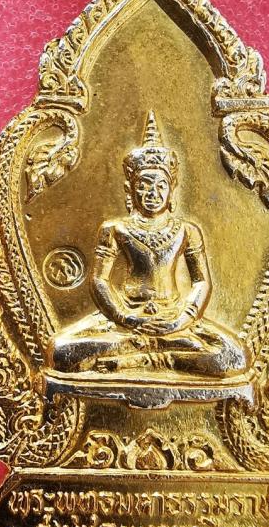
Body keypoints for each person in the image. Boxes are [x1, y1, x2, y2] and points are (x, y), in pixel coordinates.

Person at [49, 111, 246, 378]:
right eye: (144, 184)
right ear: (130, 189)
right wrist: (124, 317)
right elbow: (99, 281)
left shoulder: (187, 230)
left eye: (161, 185)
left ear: (172, 189)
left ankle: (141, 359)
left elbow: (201, 282)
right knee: (60, 352)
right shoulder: (115, 229)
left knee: (233, 357)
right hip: (125, 318)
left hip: (175, 318)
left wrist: (182, 319)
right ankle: (154, 352)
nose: (153, 193)